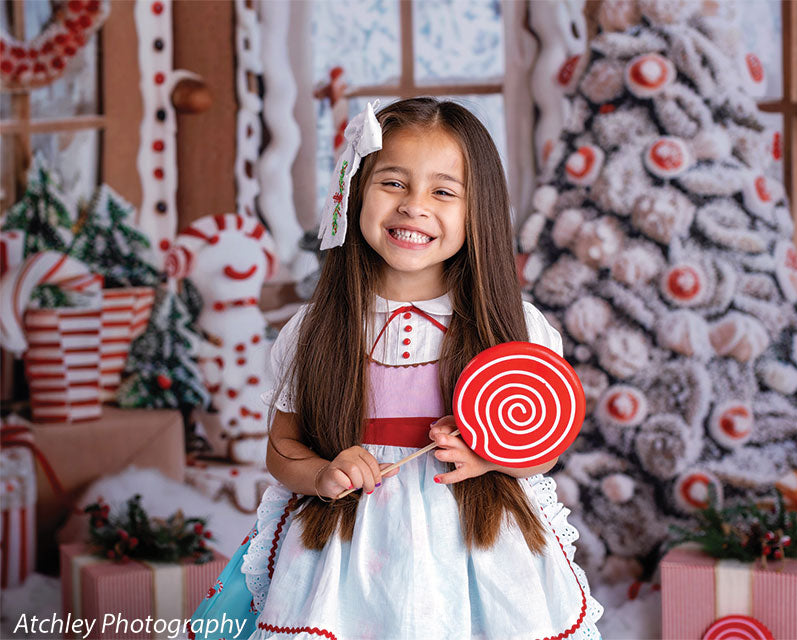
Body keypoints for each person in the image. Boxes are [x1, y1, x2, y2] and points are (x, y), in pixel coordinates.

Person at [190, 97, 603, 640]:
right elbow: (282, 446)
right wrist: (321, 473)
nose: (414, 206)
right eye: (392, 183)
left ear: (477, 209)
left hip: (473, 545)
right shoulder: (316, 328)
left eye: (443, 191)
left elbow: (544, 440)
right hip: (345, 549)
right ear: (355, 191)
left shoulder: (512, 325)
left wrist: (488, 457)